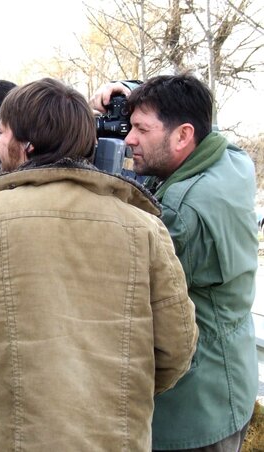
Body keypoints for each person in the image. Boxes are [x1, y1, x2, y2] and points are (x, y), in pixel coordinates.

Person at [0, 78, 198, 450]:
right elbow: (177, 349)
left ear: (28, 145)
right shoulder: (146, 227)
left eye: (1, 133)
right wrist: (118, 391)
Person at [90, 74, 259, 451]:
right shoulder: (230, 160)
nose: (128, 139)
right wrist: (131, 88)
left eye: (140, 129)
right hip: (230, 379)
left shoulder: (181, 211)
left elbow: (119, 290)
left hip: (194, 406)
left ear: (182, 136)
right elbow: (200, 119)